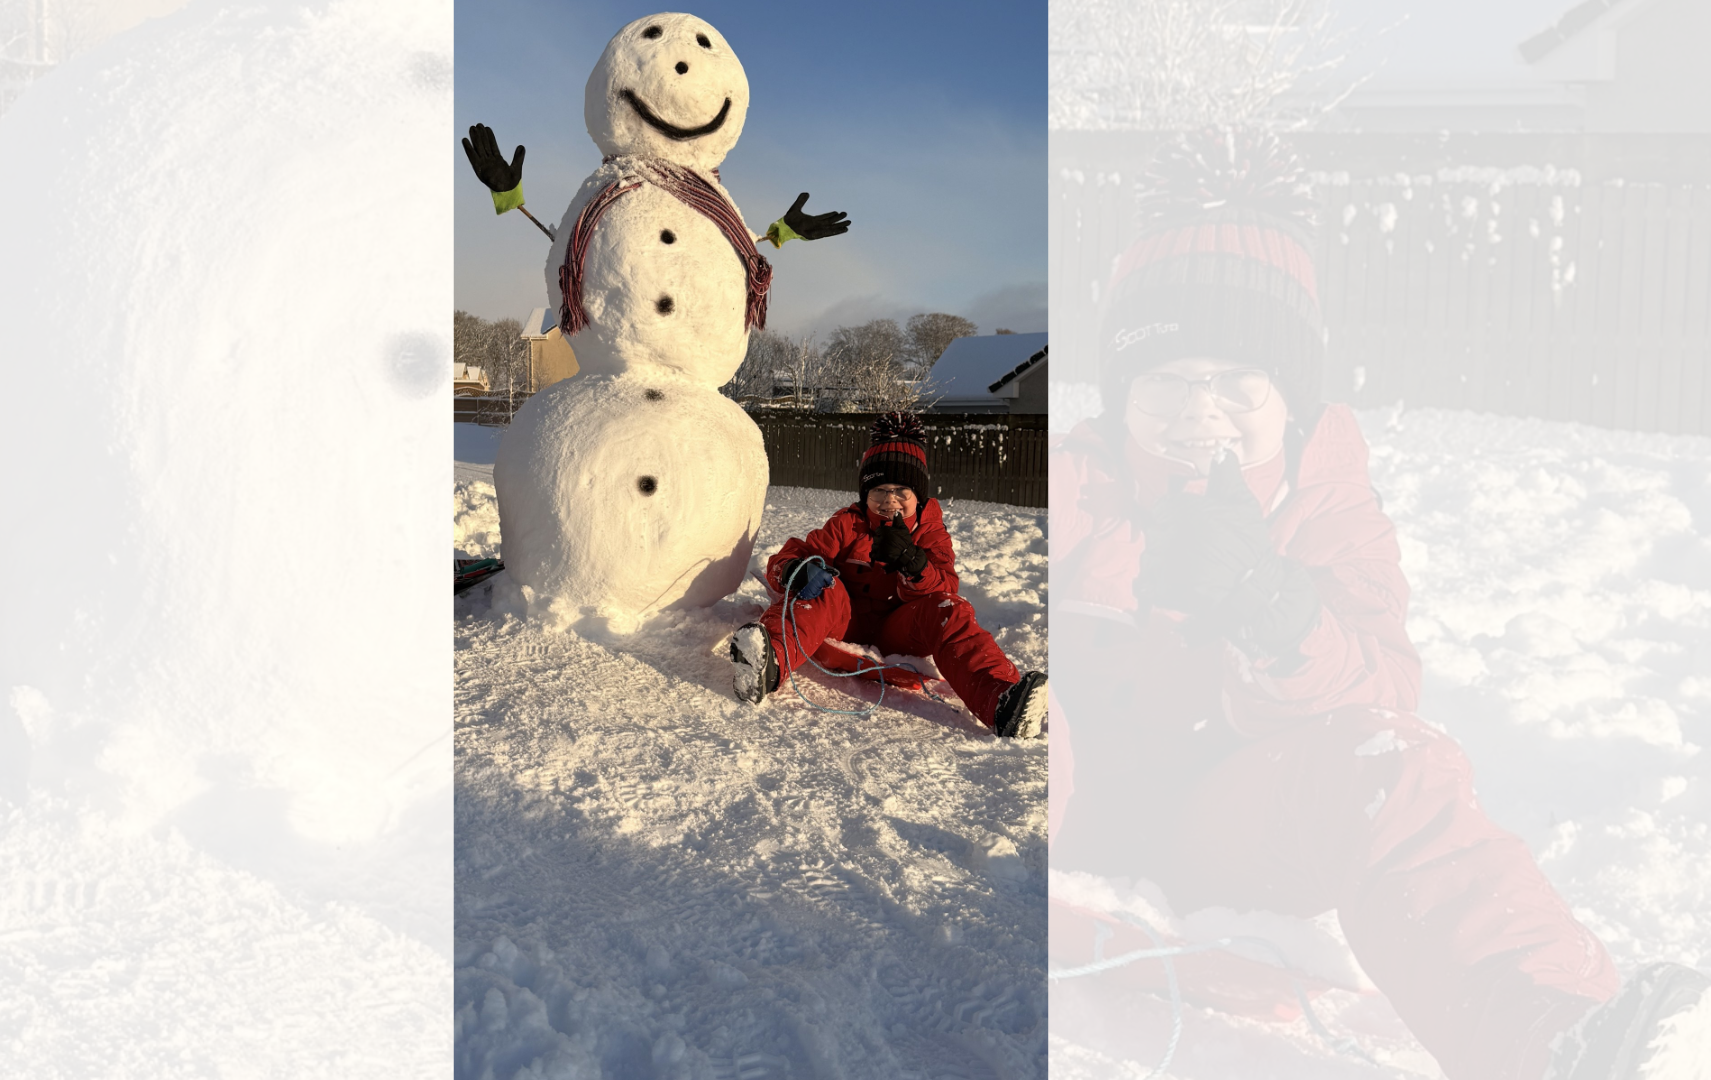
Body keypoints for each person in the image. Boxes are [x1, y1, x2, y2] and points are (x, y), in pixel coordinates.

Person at [1049, 128, 1708, 1080]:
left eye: (1239, 384)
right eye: (1167, 384)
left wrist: (1278, 619)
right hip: (1067, 800)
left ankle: (1551, 1033)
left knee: (1395, 768)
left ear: (1292, 399)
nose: (1202, 413)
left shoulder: (1328, 505)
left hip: (1227, 818)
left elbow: (1384, 691)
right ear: (1121, 395)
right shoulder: (1078, 482)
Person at [729, 412, 1048, 739]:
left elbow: (946, 589)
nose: (889, 501)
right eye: (879, 490)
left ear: (918, 496)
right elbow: (788, 556)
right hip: (842, 622)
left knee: (947, 610)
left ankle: (1000, 701)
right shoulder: (847, 525)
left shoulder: (930, 533)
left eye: (901, 491)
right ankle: (767, 666)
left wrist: (914, 564)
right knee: (824, 586)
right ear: (865, 492)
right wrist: (797, 569)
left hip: (899, 632)